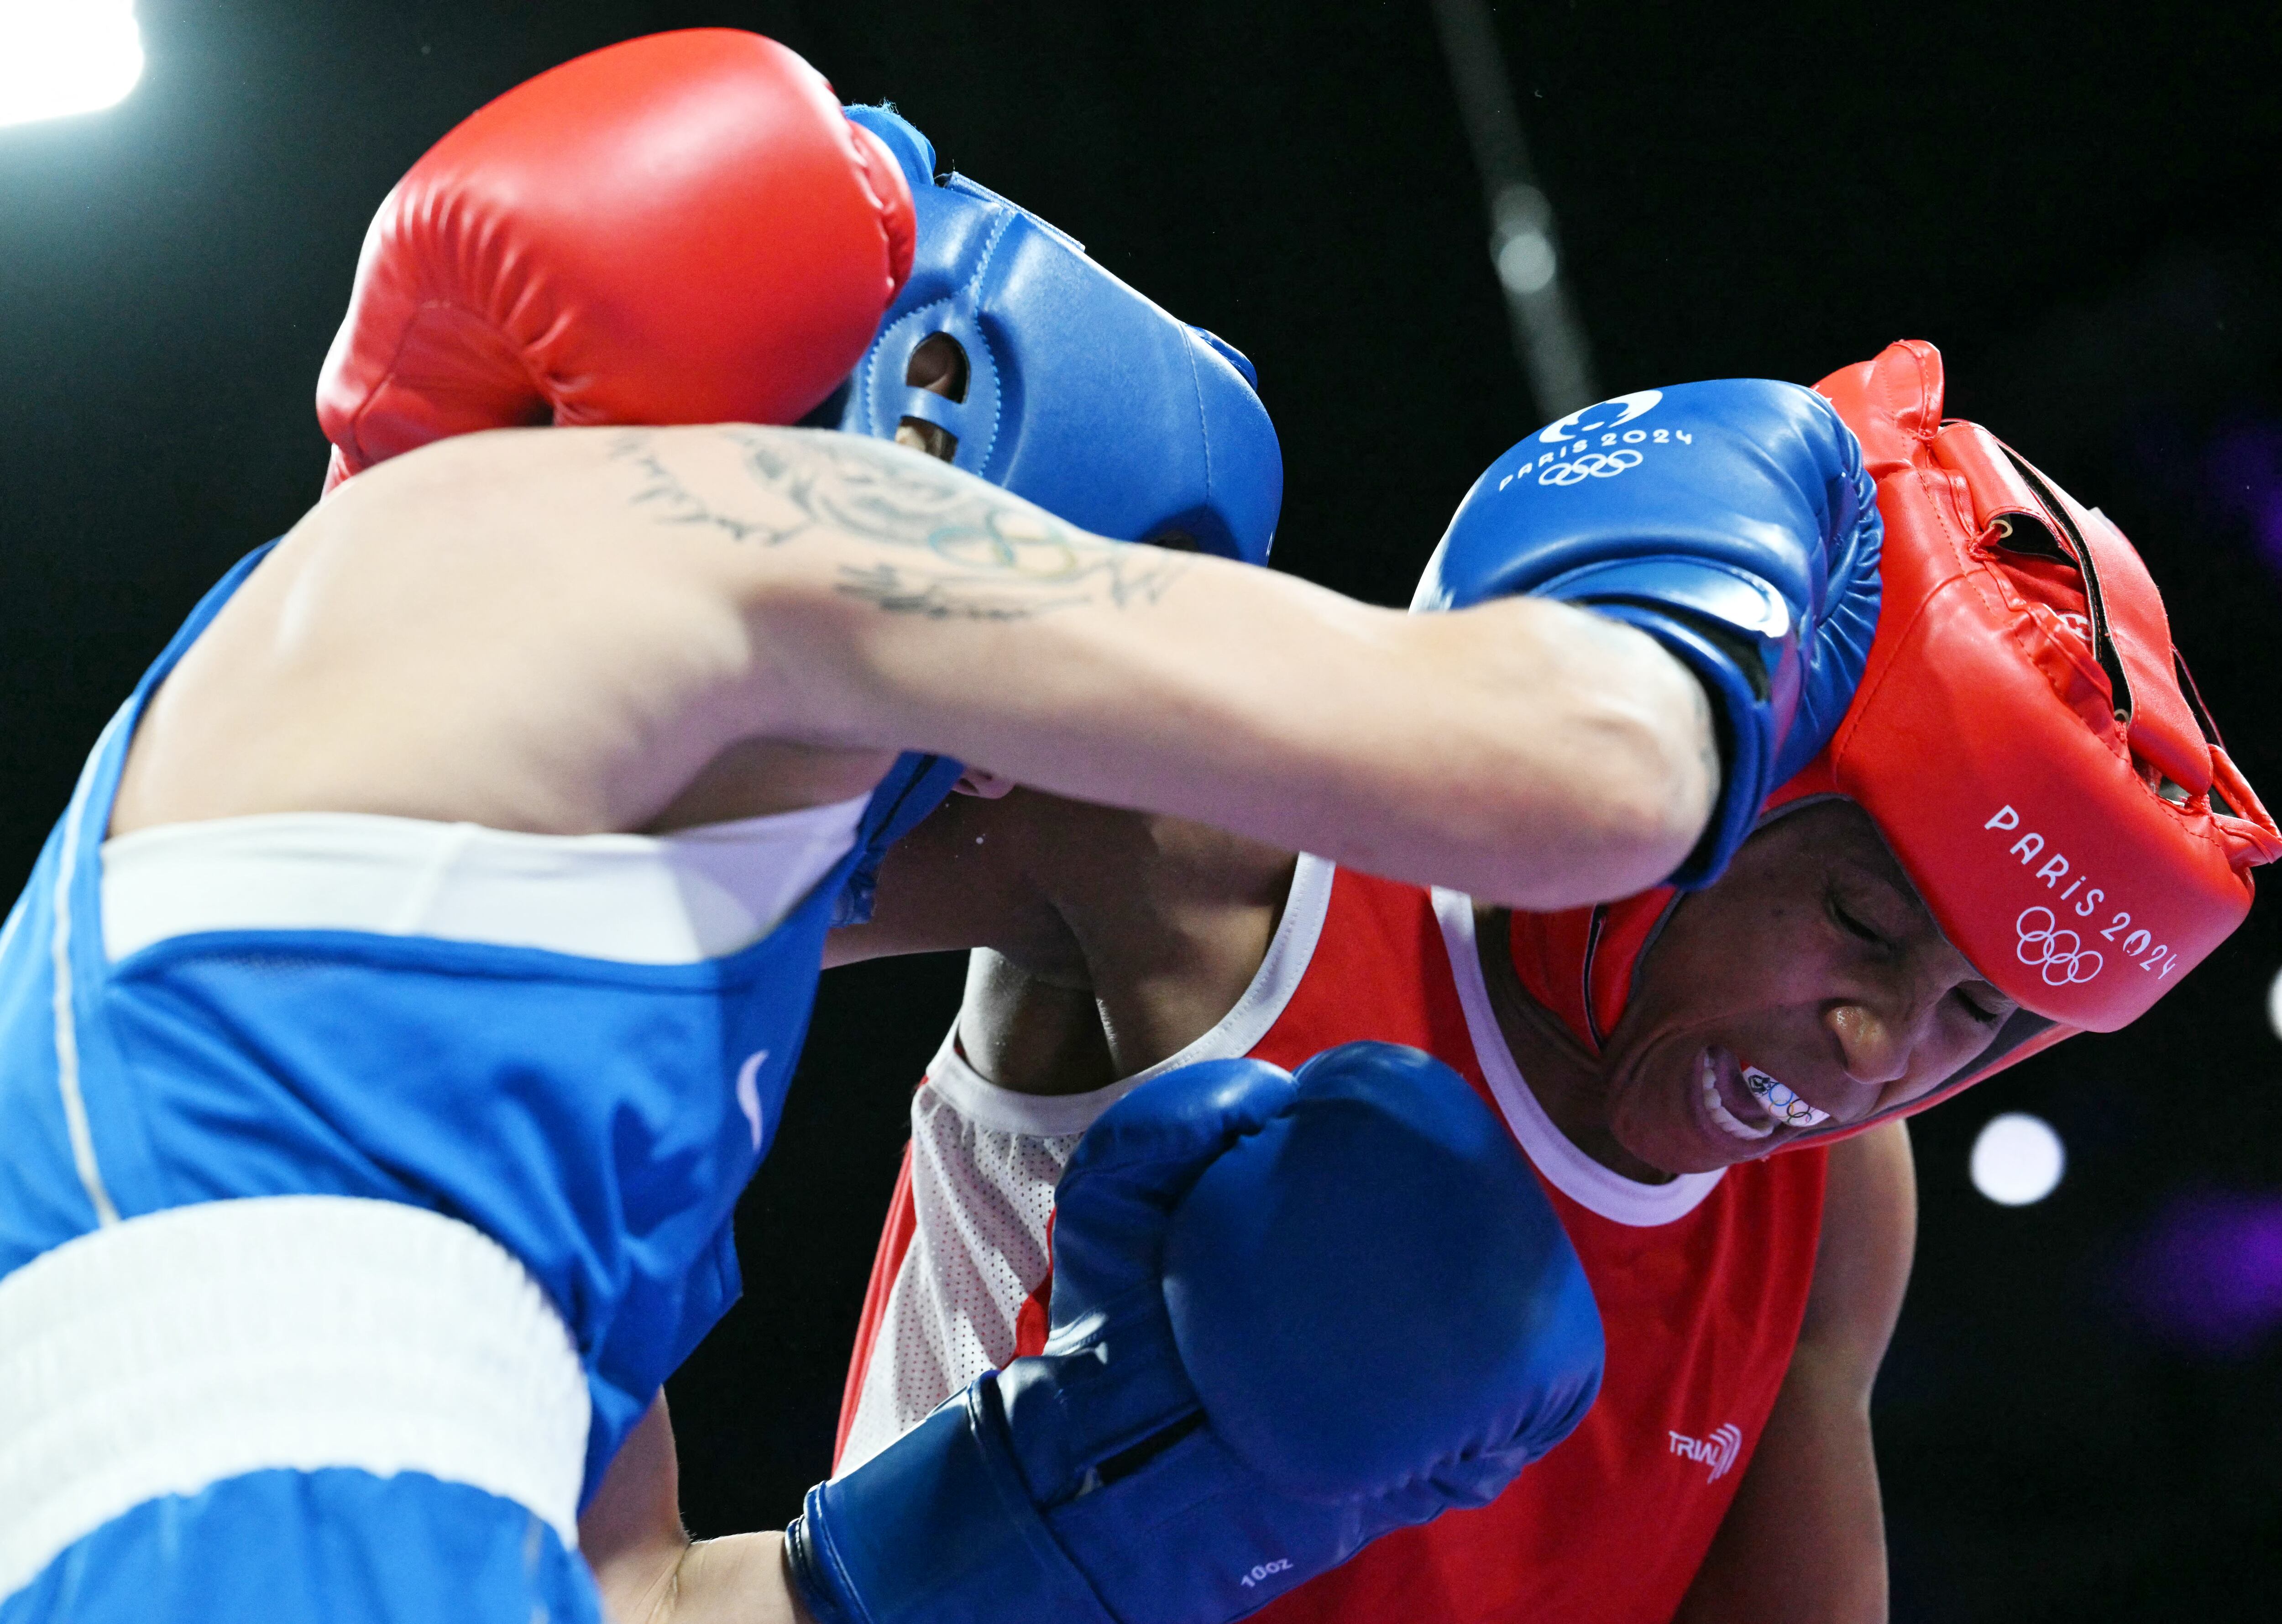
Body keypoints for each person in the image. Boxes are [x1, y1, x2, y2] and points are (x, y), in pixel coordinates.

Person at [0, 30, 1822, 1624]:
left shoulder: (531, 947)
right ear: (930, 414)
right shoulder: (677, 531)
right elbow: (1592, 770)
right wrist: (1733, 545)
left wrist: (1051, 1514)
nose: (1009, 776)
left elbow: (628, 1593)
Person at [732, 340, 2277, 1624]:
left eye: (1975, 1012)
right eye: (1863, 922)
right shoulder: (1240, 837)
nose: (1879, 1050)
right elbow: (604, 868)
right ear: (1723, 761)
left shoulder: (1836, 1201)